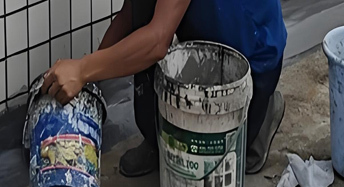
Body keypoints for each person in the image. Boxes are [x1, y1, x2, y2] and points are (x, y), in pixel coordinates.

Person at [42, 0, 287, 177]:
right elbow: (131, 14)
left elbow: (157, 42)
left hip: (251, 58)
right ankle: (156, 137)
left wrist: (82, 70)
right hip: (210, 31)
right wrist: (87, 81)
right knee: (146, 10)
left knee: (212, 167)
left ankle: (263, 114)